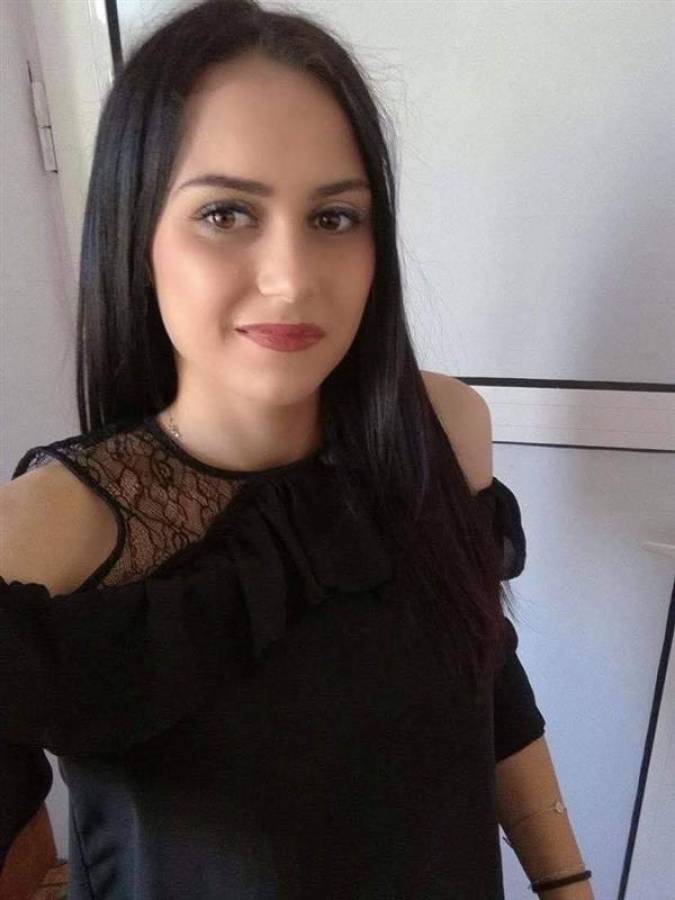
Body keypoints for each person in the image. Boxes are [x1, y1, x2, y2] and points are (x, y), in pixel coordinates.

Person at [0, 1, 593, 897]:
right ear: (136, 233)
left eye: (333, 218)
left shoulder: (440, 431)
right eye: (226, 212)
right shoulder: (52, 530)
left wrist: (566, 885)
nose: (290, 280)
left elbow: (489, 686)